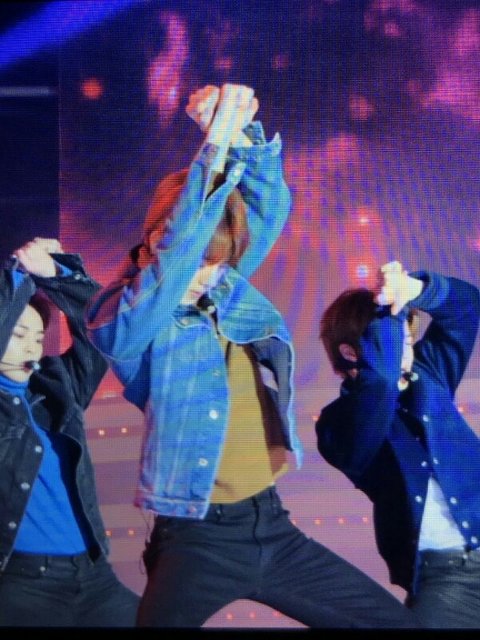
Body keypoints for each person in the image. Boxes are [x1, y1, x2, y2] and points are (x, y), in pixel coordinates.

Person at [86, 84, 419, 629]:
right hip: (197, 538)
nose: (209, 274)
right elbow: (178, 253)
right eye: (201, 260)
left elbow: (268, 206)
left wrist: (239, 136)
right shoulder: (123, 319)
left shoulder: (224, 291)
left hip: (271, 525)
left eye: (219, 262)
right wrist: (212, 148)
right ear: (154, 244)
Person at [316, 260, 480, 628]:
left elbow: (468, 308)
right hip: (446, 578)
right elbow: (380, 382)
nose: (406, 350)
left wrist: (415, 290)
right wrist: (387, 307)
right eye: (392, 341)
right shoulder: (337, 425)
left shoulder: (429, 375)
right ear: (350, 353)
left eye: (406, 340)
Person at [0, 237, 139, 627]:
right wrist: (18, 271)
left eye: (38, 338)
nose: (31, 348)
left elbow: (101, 329)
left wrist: (56, 271)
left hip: (92, 575)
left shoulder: (57, 386)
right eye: (18, 336)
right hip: (23, 584)